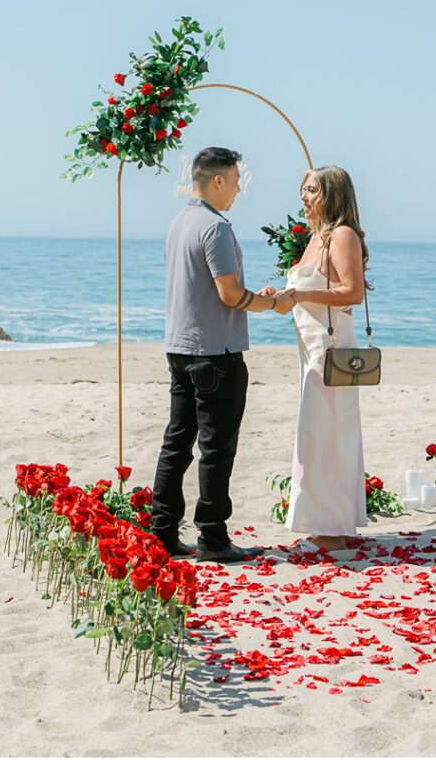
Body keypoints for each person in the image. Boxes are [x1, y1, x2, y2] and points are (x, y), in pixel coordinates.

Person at [151, 147, 296, 564]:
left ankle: (162, 532)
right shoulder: (215, 227)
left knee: (177, 443)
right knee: (216, 448)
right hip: (215, 351)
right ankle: (212, 538)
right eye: (235, 181)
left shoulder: (178, 223)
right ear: (217, 180)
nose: (237, 189)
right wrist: (275, 305)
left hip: (179, 347)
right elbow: (230, 295)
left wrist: (259, 297)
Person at [270, 165, 370, 552]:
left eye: (311, 190)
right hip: (311, 347)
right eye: (303, 189)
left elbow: (351, 293)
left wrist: (301, 296)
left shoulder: (342, 235)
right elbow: (306, 289)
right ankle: (335, 524)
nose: (303, 197)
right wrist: (281, 293)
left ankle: (329, 530)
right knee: (323, 434)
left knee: (323, 434)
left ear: (332, 193)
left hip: (331, 349)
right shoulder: (317, 238)